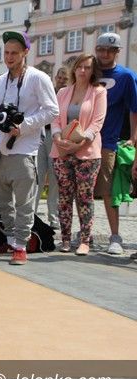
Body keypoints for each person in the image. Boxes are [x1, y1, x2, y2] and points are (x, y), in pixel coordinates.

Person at [0, 31, 59, 265]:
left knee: (24, 202)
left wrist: (24, 126)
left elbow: (52, 110)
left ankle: (21, 245)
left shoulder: (38, 78)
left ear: (25, 52)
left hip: (25, 148)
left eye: (14, 53)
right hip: (0, 148)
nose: (9, 57)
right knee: (2, 200)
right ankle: (10, 239)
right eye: (6, 52)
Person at [50, 54, 106, 256]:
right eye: (80, 66)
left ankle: (84, 240)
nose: (83, 70)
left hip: (87, 153)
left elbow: (97, 123)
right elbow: (55, 119)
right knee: (64, 197)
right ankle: (65, 239)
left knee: (84, 197)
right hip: (61, 151)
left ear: (93, 70)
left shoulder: (99, 92)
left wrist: (79, 144)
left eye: (87, 67)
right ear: (74, 69)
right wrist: (58, 138)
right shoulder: (63, 92)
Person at [92, 32, 137, 255]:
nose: (105, 54)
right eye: (101, 49)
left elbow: (134, 110)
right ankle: (85, 234)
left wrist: (133, 137)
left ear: (117, 52)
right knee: (82, 191)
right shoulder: (89, 72)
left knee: (109, 190)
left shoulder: (126, 76)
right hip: (83, 141)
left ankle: (115, 236)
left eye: (110, 50)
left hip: (108, 141)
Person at [35, 66, 68, 229]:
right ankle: (32, 214)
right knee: (37, 177)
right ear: (55, 78)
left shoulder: (68, 95)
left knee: (55, 180)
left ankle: (53, 217)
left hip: (58, 137)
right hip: (42, 135)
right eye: (59, 78)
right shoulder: (48, 91)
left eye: (65, 79)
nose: (61, 81)